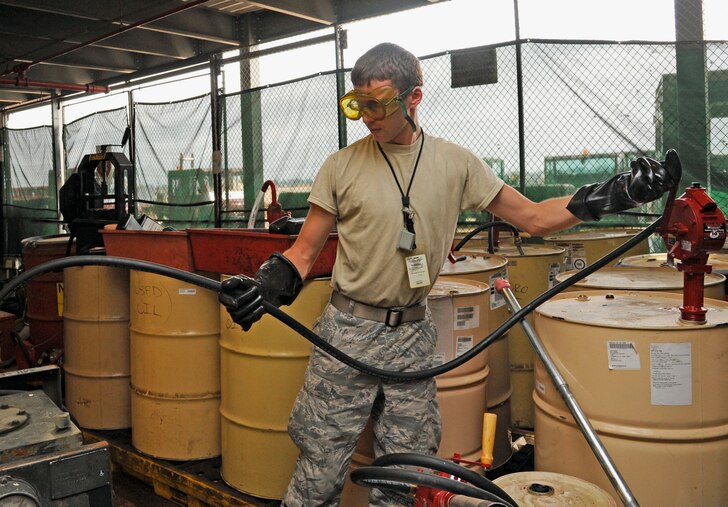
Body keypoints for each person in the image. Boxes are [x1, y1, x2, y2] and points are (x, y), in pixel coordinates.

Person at [219, 42, 681, 506]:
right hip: (345, 335)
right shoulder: (340, 166)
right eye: (356, 104)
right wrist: (265, 287)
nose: (365, 117)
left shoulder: (456, 164)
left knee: (404, 477)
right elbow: (303, 252)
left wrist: (616, 194)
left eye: (376, 104)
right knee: (318, 471)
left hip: (413, 335)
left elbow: (535, 218)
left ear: (414, 97)